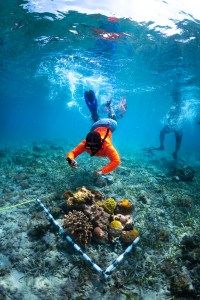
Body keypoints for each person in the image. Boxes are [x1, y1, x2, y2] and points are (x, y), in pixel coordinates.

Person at [66, 90, 123, 176]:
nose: (92, 149)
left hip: (109, 124)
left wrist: (101, 171)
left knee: (113, 119)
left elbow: (116, 161)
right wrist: (70, 160)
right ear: (87, 142)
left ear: (101, 143)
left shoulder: (105, 145)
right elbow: (71, 154)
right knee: (98, 120)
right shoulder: (86, 143)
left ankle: (109, 109)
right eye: (90, 146)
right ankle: (106, 108)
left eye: (94, 147)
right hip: (95, 126)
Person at [143, 90, 183, 160]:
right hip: (172, 125)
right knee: (162, 132)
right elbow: (169, 117)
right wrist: (169, 122)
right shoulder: (173, 107)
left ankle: (175, 153)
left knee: (178, 140)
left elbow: (177, 116)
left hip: (178, 126)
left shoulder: (179, 106)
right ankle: (162, 146)